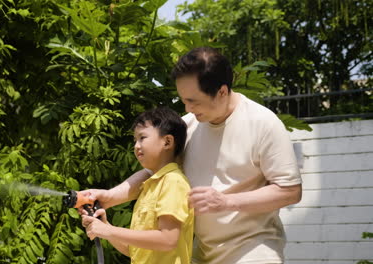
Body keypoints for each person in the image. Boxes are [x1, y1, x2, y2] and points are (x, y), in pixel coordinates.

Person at [81, 47, 302, 263]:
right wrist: (111, 196)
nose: (187, 108)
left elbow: (290, 191)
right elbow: (153, 173)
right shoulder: (190, 125)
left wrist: (226, 201)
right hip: (200, 251)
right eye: (183, 100)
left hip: (253, 250)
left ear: (222, 92)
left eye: (193, 101)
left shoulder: (263, 123)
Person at [81, 107, 194, 263]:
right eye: (135, 140)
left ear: (167, 141)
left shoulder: (173, 182)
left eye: (142, 138)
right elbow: (134, 250)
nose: (136, 146)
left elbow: (168, 239)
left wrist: (109, 230)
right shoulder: (148, 187)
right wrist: (105, 226)